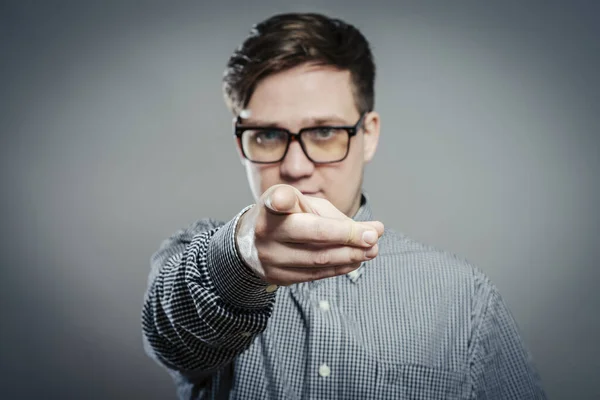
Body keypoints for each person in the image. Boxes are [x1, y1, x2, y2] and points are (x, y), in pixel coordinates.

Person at [142, 12, 546, 399]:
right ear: (241, 145)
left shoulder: (464, 299)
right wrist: (242, 253)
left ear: (368, 135)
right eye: (267, 135)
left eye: (324, 132)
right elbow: (172, 337)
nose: (295, 167)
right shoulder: (191, 258)